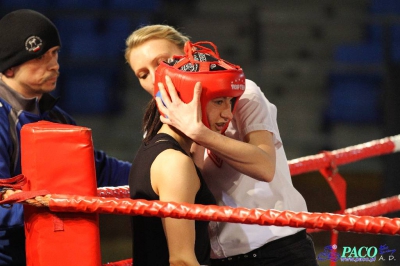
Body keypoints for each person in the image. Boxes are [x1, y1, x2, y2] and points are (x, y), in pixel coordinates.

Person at [125, 24, 318, 266]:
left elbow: (265, 166)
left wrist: (198, 132)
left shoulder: (243, 93)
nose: (156, 77)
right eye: (143, 74)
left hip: (274, 248)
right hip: (214, 255)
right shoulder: (160, 131)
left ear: (189, 54)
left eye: (163, 61)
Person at [0, 9, 131, 265]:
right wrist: (58, 205)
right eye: (40, 56)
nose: (55, 65)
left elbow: (95, 169)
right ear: (11, 66)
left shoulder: (55, 116)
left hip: (50, 252)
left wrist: (158, 172)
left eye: (55, 53)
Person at [129, 41, 245, 265]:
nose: (227, 113)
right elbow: (181, 259)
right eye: (218, 101)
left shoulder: (157, 148)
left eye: (230, 102)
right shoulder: (175, 163)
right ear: (185, 99)